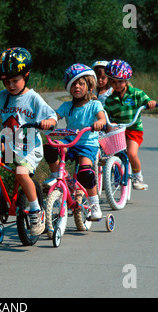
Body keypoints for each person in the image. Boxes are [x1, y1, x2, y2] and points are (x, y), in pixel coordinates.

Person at [0, 47, 57, 236]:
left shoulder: (32, 98)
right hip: (8, 144)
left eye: (15, 80)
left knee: (22, 172)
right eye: (6, 81)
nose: (10, 85)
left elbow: (51, 116)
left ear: (26, 75)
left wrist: (49, 122)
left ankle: (35, 211)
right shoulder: (2, 98)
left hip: (28, 148)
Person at [43, 63, 106, 220]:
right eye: (73, 84)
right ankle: (56, 174)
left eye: (81, 83)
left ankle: (94, 205)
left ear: (89, 85)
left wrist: (100, 122)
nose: (77, 87)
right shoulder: (67, 106)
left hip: (87, 144)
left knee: (85, 173)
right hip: (70, 141)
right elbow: (55, 116)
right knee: (50, 147)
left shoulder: (94, 104)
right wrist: (50, 121)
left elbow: (102, 118)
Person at [103, 59, 157, 190]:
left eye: (120, 81)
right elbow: (106, 114)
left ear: (126, 80)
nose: (117, 85)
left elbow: (148, 101)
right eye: (113, 82)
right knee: (111, 153)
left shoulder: (136, 94)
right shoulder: (110, 100)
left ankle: (138, 176)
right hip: (118, 130)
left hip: (133, 130)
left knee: (132, 153)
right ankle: (113, 173)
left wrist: (150, 103)